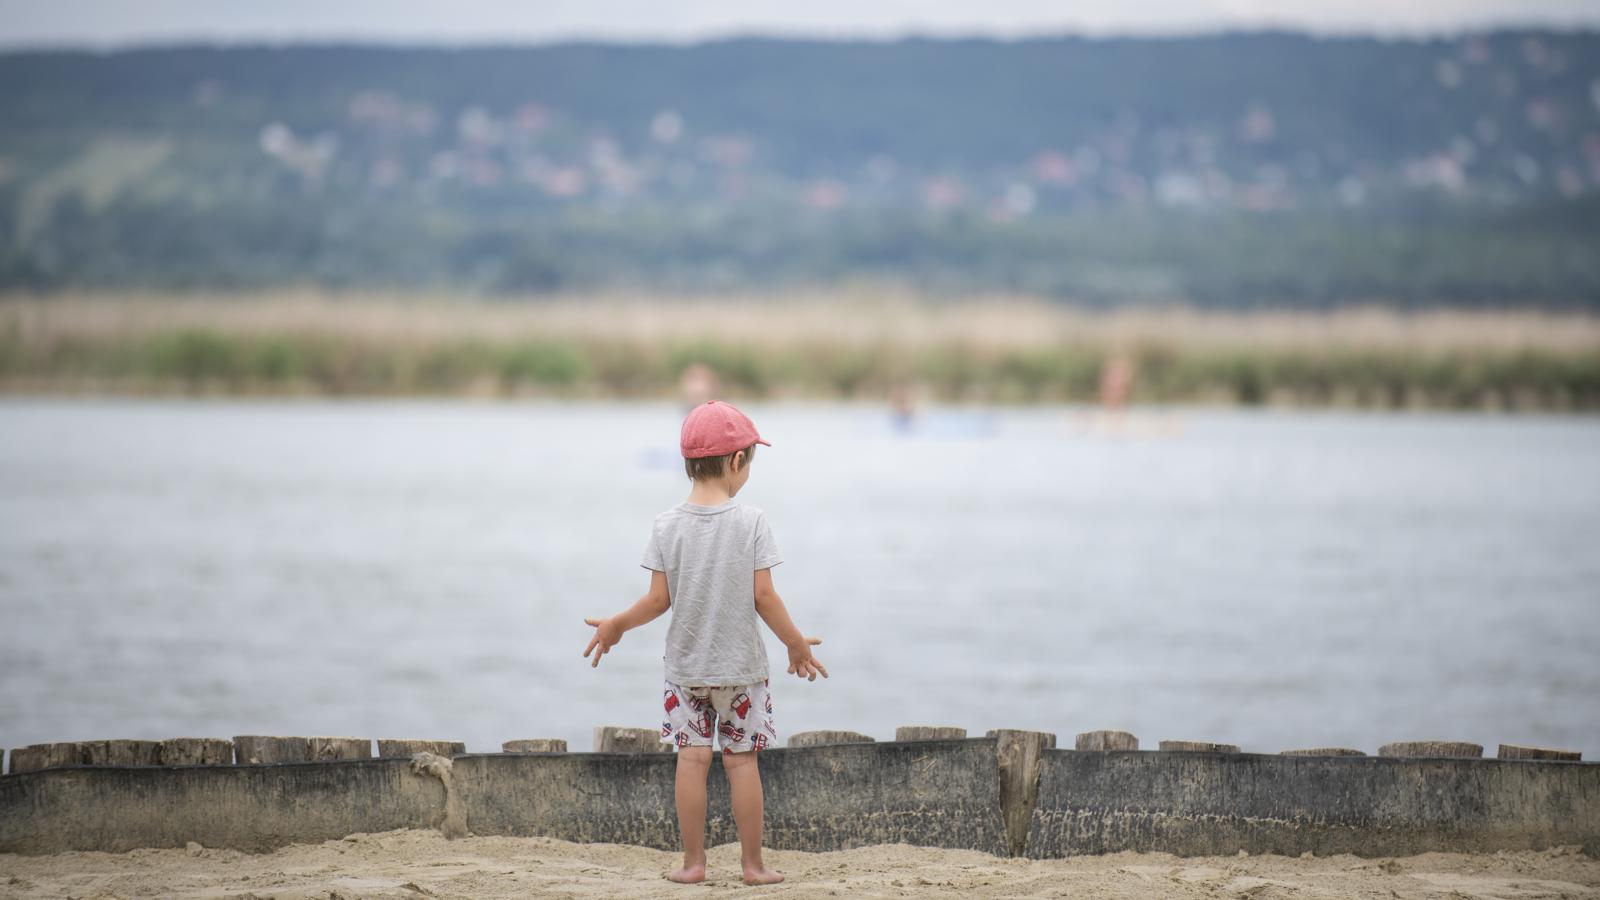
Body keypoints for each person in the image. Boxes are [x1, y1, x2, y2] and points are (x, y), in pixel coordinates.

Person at [582, 399, 828, 886]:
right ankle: (753, 866)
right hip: (742, 672)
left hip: (686, 672)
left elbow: (657, 602)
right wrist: (795, 643)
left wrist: (615, 626)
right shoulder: (752, 521)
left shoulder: (665, 525)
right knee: (741, 764)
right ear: (737, 461)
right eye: (750, 462)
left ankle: (693, 863)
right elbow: (763, 596)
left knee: (691, 762)